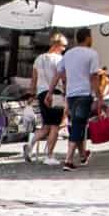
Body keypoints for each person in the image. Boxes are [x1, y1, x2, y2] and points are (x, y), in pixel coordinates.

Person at [51, 27, 101, 170]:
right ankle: (68, 160)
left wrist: (50, 91)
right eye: (91, 36)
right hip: (84, 94)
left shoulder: (68, 54)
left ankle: (83, 155)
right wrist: (99, 96)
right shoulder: (92, 54)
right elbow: (94, 76)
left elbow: (58, 72)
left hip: (71, 95)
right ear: (87, 38)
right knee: (79, 125)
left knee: (78, 124)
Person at [30, 33, 68, 164]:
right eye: (63, 46)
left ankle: (30, 145)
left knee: (46, 125)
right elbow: (63, 78)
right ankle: (49, 156)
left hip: (41, 94)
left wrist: (32, 94)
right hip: (55, 94)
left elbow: (34, 79)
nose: (64, 49)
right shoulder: (59, 59)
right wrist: (66, 92)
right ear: (57, 45)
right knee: (55, 126)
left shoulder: (38, 59)